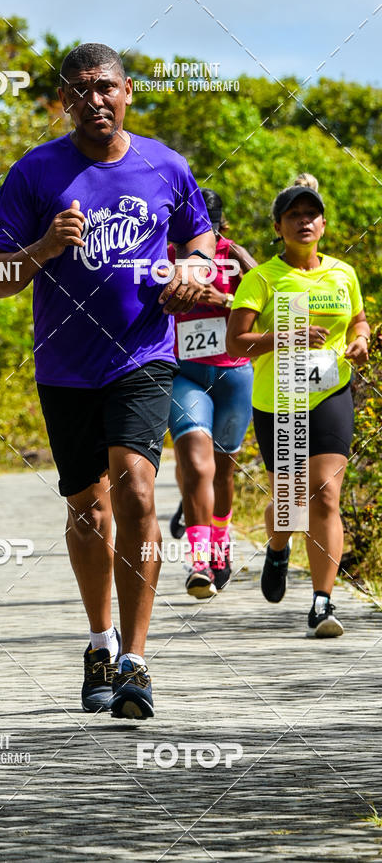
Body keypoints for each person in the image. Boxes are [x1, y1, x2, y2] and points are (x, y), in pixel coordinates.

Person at [0, 43, 215, 719]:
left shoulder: (166, 165)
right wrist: (43, 247)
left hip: (143, 354)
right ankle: (100, 642)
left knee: (136, 490)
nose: (95, 100)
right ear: (64, 100)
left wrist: (192, 269)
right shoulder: (35, 172)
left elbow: (200, 239)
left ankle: (136, 662)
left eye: (105, 86)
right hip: (65, 365)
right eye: (80, 90)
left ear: (128, 90)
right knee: (88, 508)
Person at [227, 175, 370, 637]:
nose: (304, 221)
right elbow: (236, 343)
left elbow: (359, 320)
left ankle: (322, 602)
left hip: (330, 391)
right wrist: (284, 336)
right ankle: (277, 547)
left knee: (325, 494)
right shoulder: (261, 278)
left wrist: (361, 339)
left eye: (312, 215)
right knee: (290, 503)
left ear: (323, 225)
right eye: (294, 215)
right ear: (278, 226)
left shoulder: (342, 273)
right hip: (280, 399)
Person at [168, 189, 257, 598]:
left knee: (223, 471)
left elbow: (273, 305)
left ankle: (221, 544)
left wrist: (226, 299)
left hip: (233, 374)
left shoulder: (234, 257)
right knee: (195, 463)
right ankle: (199, 560)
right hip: (185, 374)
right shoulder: (166, 256)